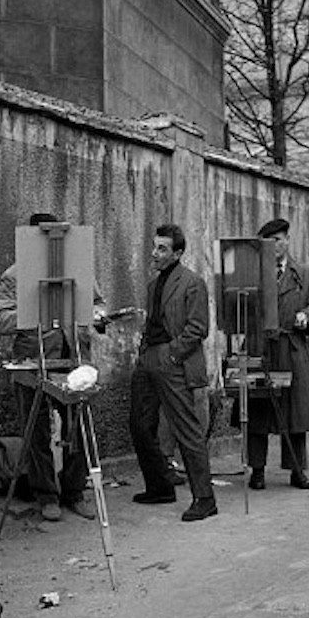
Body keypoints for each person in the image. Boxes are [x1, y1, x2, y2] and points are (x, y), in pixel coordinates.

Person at [0, 212, 105, 522]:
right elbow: (1, 320)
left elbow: (98, 303)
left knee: (79, 429)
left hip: (74, 361)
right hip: (34, 362)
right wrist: (35, 314)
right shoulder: (13, 276)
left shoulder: (79, 270)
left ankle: (74, 491)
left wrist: (96, 315)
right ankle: (46, 496)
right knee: (37, 431)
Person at [129, 223, 218, 522]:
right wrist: (144, 354)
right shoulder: (154, 284)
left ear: (177, 253)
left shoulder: (192, 283)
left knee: (187, 431)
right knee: (140, 424)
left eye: (162, 248)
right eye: (154, 246)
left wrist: (172, 354)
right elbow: (152, 323)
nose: (154, 253)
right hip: (149, 360)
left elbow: (198, 328)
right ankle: (160, 487)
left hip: (174, 362)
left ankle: (205, 499)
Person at [242, 217, 309, 490]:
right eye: (268, 241)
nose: (274, 246)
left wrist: (306, 316)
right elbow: (237, 306)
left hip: (292, 349)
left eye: (278, 240)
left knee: (295, 414)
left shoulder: (305, 274)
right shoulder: (252, 274)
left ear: (288, 241)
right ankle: (257, 470)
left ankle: (296, 470)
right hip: (260, 348)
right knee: (258, 411)